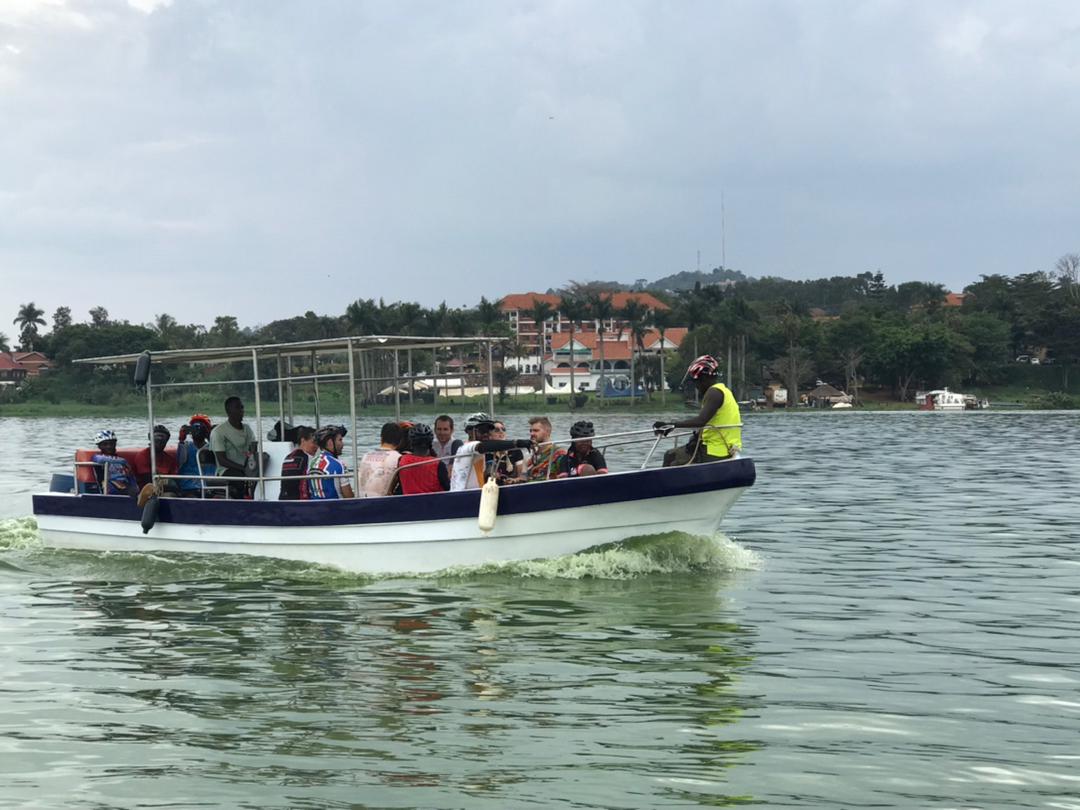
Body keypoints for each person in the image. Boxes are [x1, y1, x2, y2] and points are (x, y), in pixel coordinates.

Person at [653, 355, 742, 464]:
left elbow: (701, 421)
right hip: (727, 449)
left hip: (713, 452)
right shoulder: (725, 391)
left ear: (703, 379)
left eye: (696, 381)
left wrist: (672, 425)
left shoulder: (713, 392)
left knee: (670, 456)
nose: (696, 386)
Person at [450, 416, 533, 491]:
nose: (486, 433)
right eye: (482, 430)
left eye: (488, 430)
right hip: (462, 495)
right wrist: (517, 443)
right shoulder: (467, 447)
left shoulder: (481, 453)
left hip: (476, 494)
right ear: (470, 432)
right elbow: (483, 446)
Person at [211, 396, 259, 499]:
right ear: (228, 411)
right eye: (238, 408)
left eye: (242, 407)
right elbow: (222, 460)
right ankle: (241, 502)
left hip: (247, 466)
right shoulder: (219, 432)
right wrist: (243, 469)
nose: (242, 410)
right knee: (241, 478)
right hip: (226, 470)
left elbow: (253, 449)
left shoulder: (247, 429)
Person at [396, 423, 451, 494]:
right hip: (435, 504)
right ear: (430, 443)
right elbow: (448, 488)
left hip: (408, 504)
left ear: (411, 442)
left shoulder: (402, 461)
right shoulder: (438, 464)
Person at [308, 425, 355, 499]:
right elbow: (349, 497)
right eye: (340, 440)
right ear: (330, 442)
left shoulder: (311, 463)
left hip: (315, 508)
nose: (342, 444)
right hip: (336, 508)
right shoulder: (339, 465)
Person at [357, 422, 403, 498]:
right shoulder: (398, 458)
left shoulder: (366, 456)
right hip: (382, 503)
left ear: (381, 438)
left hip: (361, 500)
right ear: (400, 441)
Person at [90, 429, 138, 496]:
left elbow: (130, 476)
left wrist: (135, 487)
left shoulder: (122, 461)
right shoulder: (97, 457)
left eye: (111, 444)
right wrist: (122, 461)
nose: (109, 446)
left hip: (125, 485)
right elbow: (100, 460)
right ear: (99, 446)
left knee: (135, 489)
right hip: (108, 487)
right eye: (105, 444)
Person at [176, 414, 215, 497]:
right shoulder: (185, 447)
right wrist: (181, 440)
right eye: (194, 428)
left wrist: (210, 437)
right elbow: (179, 461)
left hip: (210, 487)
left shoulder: (212, 447)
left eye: (202, 428)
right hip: (189, 487)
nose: (198, 430)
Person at [134, 424, 179, 492]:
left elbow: (175, 478)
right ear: (151, 439)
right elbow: (147, 480)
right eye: (156, 438)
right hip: (148, 492)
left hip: (167, 490)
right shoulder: (143, 456)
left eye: (163, 438)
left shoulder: (169, 459)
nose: (160, 441)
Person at [279, 426, 317, 500]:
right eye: (314, 443)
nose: (317, 446)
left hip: (284, 500)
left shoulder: (288, 457)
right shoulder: (309, 458)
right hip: (301, 501)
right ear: (303, 441)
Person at [525, 416, 566, 482]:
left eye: (536, 430)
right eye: (531, 431)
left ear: (547, 432)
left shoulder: (559, 453)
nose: (531, 433)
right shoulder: (531, 457)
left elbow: (564, 476)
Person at [490, 420, 526, 485]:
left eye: (503, 429)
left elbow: (523, 476)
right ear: (490, 435)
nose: (501, 431)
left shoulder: (515, 450)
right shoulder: (486, 453)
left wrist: (514, 480)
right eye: (497, 430)